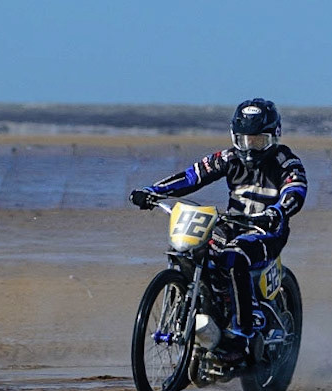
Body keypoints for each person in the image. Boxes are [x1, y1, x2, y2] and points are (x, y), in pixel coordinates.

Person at [129, 98, 307, 364]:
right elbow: (192, 176)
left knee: (235, 256)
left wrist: (278, 212)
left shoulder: (287, 162)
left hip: (267, 230)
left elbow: (296, 191)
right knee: (196, 250)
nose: (250, 147)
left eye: (258, 141)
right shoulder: (227, 157)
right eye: (245, 140)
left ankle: (240, 333)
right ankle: (206, 315)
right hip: (231, 223)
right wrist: (153, 191)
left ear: (274, 136)